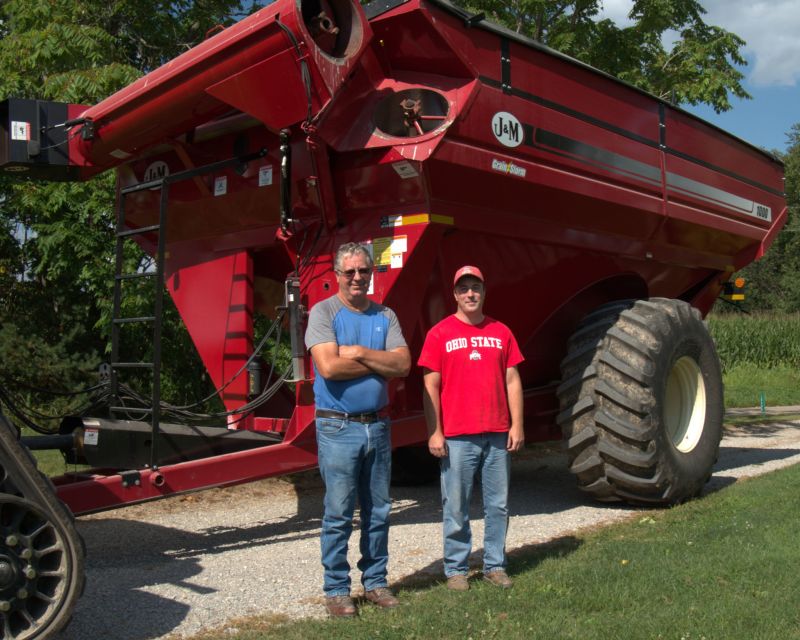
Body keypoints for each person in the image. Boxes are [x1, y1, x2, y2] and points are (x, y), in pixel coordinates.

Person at [305, 242, 411, 617]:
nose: (356, 278)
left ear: (371, 273)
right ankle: (337, 590)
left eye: (363, 271)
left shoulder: (385, 315)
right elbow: (329, 368)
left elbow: (403, 365)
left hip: (378, 426)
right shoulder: (324, 312)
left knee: (379, 510)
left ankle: (376, 582)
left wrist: (359, 353)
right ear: (337, 275)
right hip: (338, 427)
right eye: (349, 271)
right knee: (338, 511)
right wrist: (380, 362)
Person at [418, 265, 524, 591]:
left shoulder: (501, 331)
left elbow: (512, 380)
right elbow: (430, 386)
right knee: (456, 505)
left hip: (496, 432)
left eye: (475, 287)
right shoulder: (439, 334)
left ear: (484, 291)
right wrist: (435, 431)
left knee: (498, 505)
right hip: (457, 437)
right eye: (463, 289)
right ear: (454, 295)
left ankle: (494, 565)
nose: (470, 294)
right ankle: (456, 570)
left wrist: (517, 425)